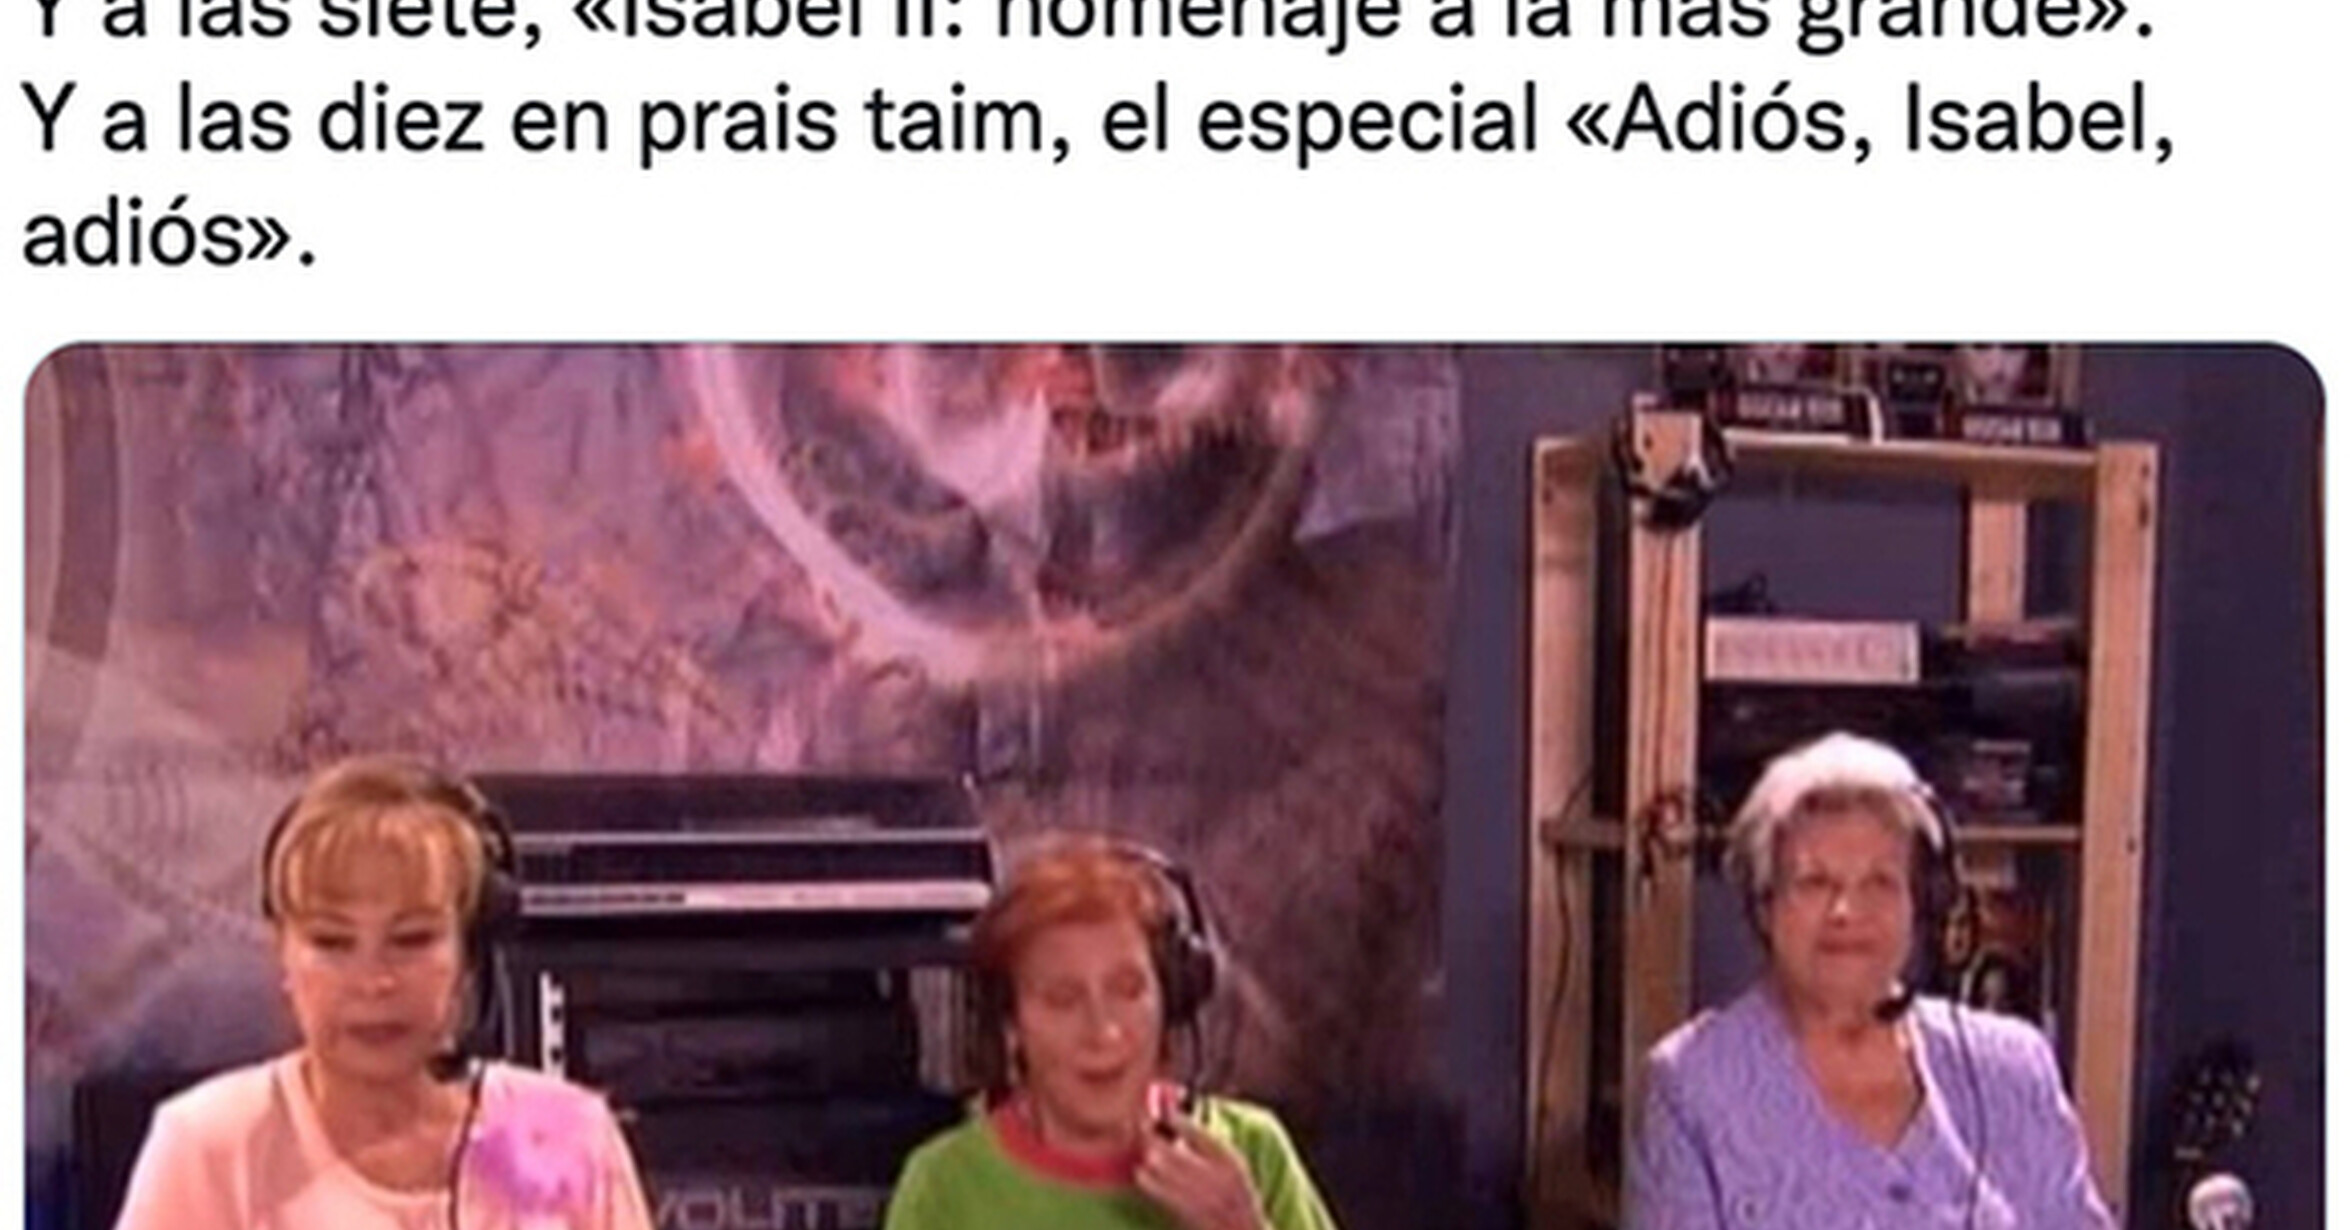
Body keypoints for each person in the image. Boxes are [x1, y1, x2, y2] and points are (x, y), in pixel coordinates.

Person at [112, 755, 656, 1230]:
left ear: (469, 951)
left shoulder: (567, 1136)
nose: (374, 981)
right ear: (284, 954)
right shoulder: (208, 1146)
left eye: (412, 939)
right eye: (332, 942)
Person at [1627, 732, 2114, 1230]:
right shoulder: (1693, 1087)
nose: (1846, 911)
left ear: (1922, 903)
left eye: (1879, 882)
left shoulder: (2012, 1069)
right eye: (1815, 882)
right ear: (1764, 906)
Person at [884, 836, 1339, 1230]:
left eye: (1128, 990)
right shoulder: (943, 1186)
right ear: (1012, 1028)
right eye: (1063, 999)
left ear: (1169, 1000)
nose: (1103, 1030)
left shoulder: (1253, 1152)